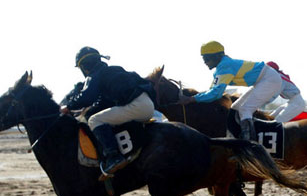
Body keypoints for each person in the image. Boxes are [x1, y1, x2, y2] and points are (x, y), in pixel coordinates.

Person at [60, 47, 155, 175]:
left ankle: (114, 157)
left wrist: (68, 106)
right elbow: (104, 101)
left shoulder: (94, 75)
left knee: (95, 120)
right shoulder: (113, 70)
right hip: (148, 105)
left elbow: (87, 97)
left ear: (84, 66)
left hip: (136, 107)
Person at [178, 41, 282, 141]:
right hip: (263, 80)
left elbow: (216, 94)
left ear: (216, 56)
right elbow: (211, 91)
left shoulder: (225, 66)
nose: (205, 61)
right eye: (203, 58)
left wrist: (191, 99)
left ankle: (250, 144)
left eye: (207, 58)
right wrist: (194, 98)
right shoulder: (222, 67)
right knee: (235, 108)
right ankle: (236, 136)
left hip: (269, 79)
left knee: (245, 109)